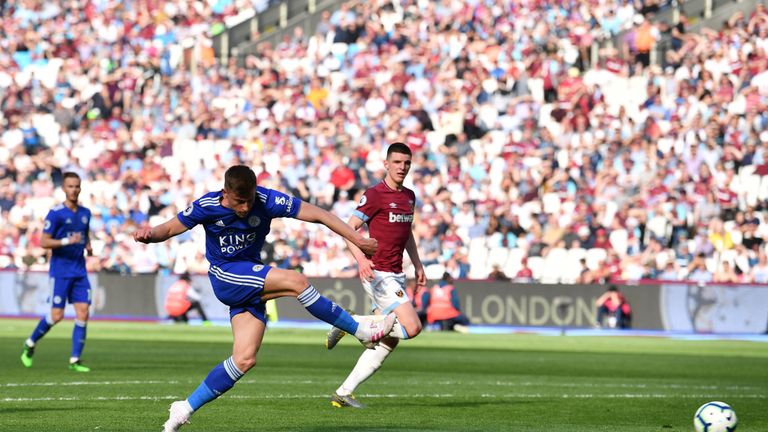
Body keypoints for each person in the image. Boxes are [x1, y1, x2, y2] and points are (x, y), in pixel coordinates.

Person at [133, 165, 396, 432]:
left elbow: (319, 215)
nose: (246, 207)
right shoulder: (207, 205)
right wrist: (149, 235)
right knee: (297, 282)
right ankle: (359, 329)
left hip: (250, 276)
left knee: (244, 359)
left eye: (249, 200)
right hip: (226, 275)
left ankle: (184, 408)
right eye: (239, 201)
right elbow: (167, 229)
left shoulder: (267, 200)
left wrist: (357, 239)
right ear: (225, 193)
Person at [325, 142, 427, 409]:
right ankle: (349, 322)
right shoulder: (375, 194)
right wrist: (360, 260)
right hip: (378, 272)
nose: (402, 167)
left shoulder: (409, 196)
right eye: (397, 162)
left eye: (406, 163)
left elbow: (407, 233)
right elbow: (350, 228)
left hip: (397, 272)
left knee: (388, 340)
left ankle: (343, 393)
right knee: (412, 327)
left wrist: (417, 264)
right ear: (386, 164)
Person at [20, 172, 93, 372]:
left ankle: (75, 360)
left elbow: (85, 235)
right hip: (61, 271)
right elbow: (44, 241)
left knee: (83, 312)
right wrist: (66, 241)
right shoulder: (56, 213)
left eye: (77, 186)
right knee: (57, 315)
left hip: (79, 271)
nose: (74, 190)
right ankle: (30, 343)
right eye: (70, 186)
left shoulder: (86, 213)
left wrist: (88, 246)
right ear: (63, 188)